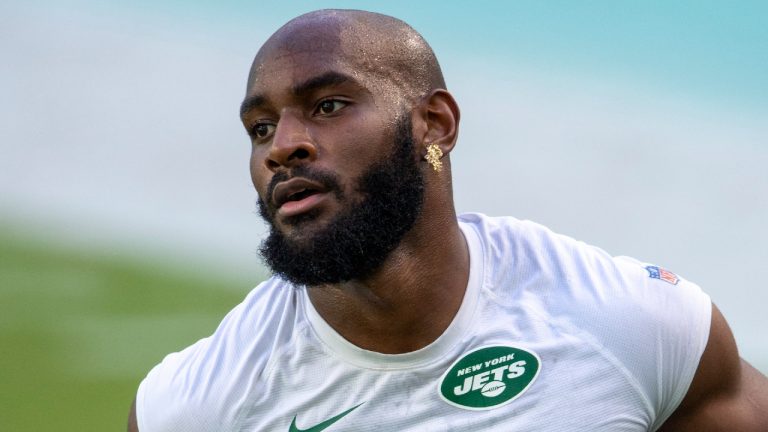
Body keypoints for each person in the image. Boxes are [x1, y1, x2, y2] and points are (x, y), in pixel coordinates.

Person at [128, 9, 768, 431]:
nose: (280, 147)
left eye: (327, 105)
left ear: (435, 123)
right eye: (260, 128)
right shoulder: (202, 405)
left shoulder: (633, 327)